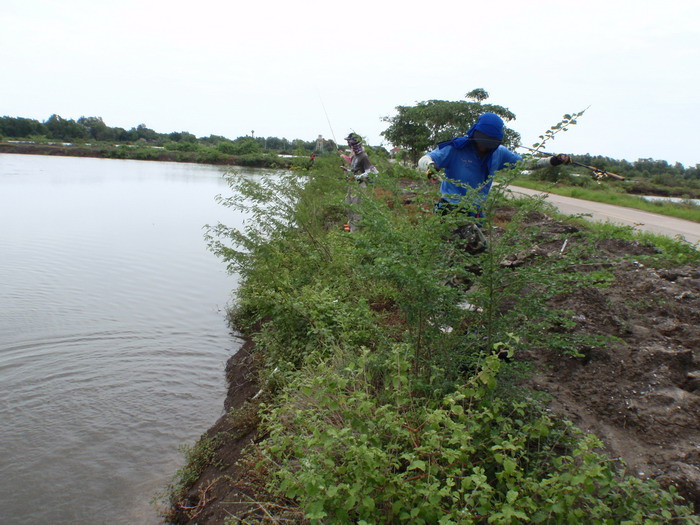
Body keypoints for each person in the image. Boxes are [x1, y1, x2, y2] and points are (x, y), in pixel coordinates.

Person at [418, 112, 569, 253]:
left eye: (489, 142)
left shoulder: (499, 153)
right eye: (482, 140)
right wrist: (431, 168)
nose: (484, 146)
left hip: (475, 212)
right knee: (478, 250)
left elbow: (525, 164)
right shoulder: (455, 148)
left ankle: (453, 279)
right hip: (451, 209)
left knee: (462, 254)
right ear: (475, 133)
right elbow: (424, 160)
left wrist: (552, 161)